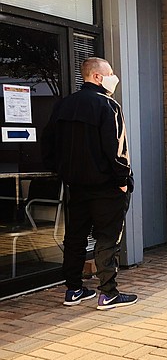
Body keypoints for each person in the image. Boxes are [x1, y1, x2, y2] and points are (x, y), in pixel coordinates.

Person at [42, 57, 138, 310]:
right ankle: (108, 293)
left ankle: (73, 289)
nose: (113, 77)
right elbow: (116, 149)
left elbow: (48, 146)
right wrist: (123, 181)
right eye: (110, 73)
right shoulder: (108, 105)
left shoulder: (63, 106)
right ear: (97, 76)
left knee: (76, 237)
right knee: (108, 238)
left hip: (76, 186)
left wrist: (62, 172)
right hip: (106, 187)